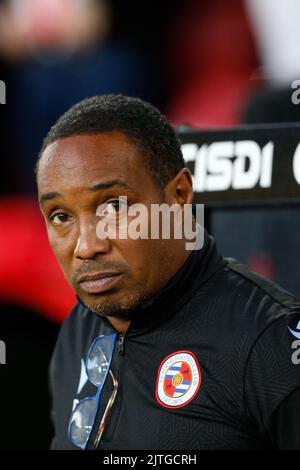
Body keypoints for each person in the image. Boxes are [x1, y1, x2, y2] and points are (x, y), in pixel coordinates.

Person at [36, 95, 300, 450]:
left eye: (114, 206)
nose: (86, 246)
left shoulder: (272, 345)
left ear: (179, 194)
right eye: (61, 216)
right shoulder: (78, 327)